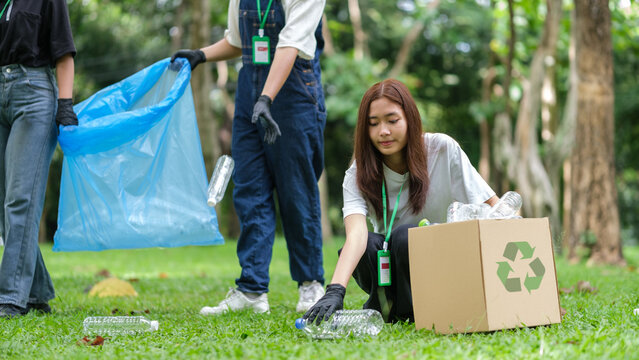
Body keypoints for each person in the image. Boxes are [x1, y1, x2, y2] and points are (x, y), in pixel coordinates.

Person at [171, 0, 327, 314]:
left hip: (294, 91)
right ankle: (252, 289)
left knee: (296, 190)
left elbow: (291, 43)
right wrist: (201, 55)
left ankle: (311, 285)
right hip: (249, 91)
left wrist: (267, 98)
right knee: (249, 190)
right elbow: (237, 43)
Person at [303, 79, 498, 324]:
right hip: (393, 266)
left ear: (410, 119)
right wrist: (335, 290)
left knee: (407, 236)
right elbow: (356, 235)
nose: (383, 131)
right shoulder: (357, 174)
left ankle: (408, 310)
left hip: (443, 261)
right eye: (373, 124)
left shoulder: (442, 149)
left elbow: (495, 207)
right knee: (370, 247)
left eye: (392, 121)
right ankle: (390, 306)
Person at [0, 0, 78, 317]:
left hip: (33, 96)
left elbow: (64, 52)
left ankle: (9, 297)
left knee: (21, 198)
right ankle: (36, 291)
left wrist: (65, 105)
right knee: (5, 200)